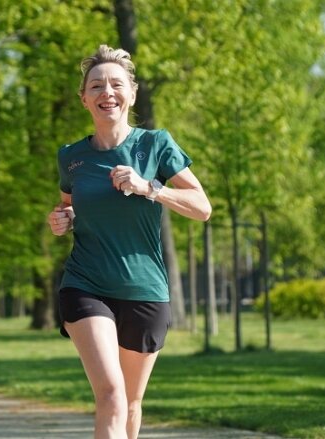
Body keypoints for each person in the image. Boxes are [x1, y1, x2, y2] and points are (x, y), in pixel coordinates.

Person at [47, 45, 212, 439]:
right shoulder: (72, 157)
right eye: (97, 85)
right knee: (111, 394)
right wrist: (63, 218)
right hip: (86, 284)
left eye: (116, 84)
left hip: (145, 288)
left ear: (132, 93)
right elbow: (69, 205)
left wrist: (150, 188)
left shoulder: (156, 144)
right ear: (84, 98)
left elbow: (202, 207)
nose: (108, 92)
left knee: (131, 404)